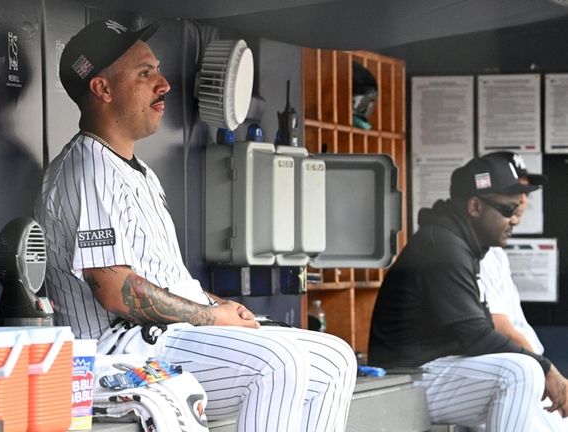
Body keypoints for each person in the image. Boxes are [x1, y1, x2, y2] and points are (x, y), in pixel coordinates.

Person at [34, 19, 356, 432]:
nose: (164, 84)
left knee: (335, 359)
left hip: (163, 338)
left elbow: (164, 279)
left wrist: (219, 306)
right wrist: (210, 315)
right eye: (145, 73)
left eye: (157, 69)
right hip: (114, 353)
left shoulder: (138, 171)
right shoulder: (87, 168)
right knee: (280, 362)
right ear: (102, 89)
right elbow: (116, 291)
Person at [368, 154, 568, 431]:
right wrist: (545, 367)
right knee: (520, 372)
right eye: (508, 209)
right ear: (475, 206)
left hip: (432, 371)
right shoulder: (442, 246)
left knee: (525, 380)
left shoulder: (459, 243)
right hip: (405, 380)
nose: (514, 220)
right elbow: (475, 336)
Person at [478, 151, 567, 430]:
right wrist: (545, 369)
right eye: (515, 191)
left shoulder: (497, 249)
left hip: (529, 370)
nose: (522, 200)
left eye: (526, 191)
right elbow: (498, 326)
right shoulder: (477, 250)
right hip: (516, 374)